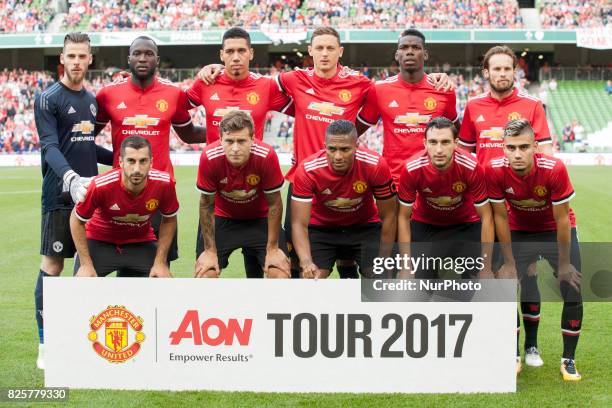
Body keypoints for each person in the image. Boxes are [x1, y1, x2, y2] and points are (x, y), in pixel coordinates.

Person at [199, 26, 452, 279]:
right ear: (310, 51)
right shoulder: (293, 79)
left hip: (347, 179)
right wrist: (216, 69)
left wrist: (435, 76)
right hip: (303, 181)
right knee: (296, 265)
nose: (324, 54)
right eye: (319, 48)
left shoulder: (361, 83)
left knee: (355, 257)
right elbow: (248, 80)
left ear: (340, 51)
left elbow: (385, 101)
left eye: (330, 48)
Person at [33, 32, 113, 370]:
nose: (77, 62)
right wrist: (71, 179)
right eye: (71, 56)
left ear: (90, 59)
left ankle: (79, 341)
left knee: (87, 268)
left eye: (82, 56)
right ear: (62, 60)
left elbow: (84, 145)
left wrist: (120, 162)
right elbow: (51, 146)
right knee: (53, 267)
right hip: (60, 196)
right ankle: (45, 343)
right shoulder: (47, 98)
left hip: (90, 199)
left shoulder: (92, 101)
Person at [187, 27, 293, 278]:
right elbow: (174, 112)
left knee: (270, 272)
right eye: (230, 51)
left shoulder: (265, 86)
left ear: (251, 54)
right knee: (206, 270)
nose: (236, 57)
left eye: (241, 51)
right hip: (221, 202)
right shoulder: (205, 83)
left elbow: (304, 109)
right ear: (221, 55)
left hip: (258, 203)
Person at [94, 35, 205, 266]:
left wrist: (223, 130)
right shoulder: (107, 94)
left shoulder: (173, 94)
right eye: (137, 53)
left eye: (148, 53)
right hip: (119, 192)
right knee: (117, 262)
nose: (143, 58)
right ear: (129, 58)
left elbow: (189, 134)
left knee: (158, 268)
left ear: (158, 59)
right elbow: (86, 137)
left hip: (159, 192)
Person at [487, 119, 583, 381]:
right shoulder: (494, 170)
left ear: (535, 148)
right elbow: (500, 218)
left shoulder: (554, 169)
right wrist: (508, 262)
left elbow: (562, 219)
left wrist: (564, 265)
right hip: (518, 230)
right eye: (511, 148)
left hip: (555, 231)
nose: (517, 154)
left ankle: (568, 360)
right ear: (503, 148)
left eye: (524, 147)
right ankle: (515, 354)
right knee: (505, 286)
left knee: (572, 288)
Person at [291, 120, 397, 279]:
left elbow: (389, 216)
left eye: (345, 149)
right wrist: (306, 262)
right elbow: (299, 223)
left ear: (356, 145)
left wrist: (383, 259)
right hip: (322, 229)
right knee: (312, 278)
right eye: (332, 149)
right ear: (324, 145)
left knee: (380, 278)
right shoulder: (308, 170)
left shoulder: (375, 165)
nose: (338, 156)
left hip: (364, 227)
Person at [357, 28, 458, 185]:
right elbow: (354, 131)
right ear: (397, 55)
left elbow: (459, 136)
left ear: (425, 54)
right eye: (404, 48)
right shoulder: (379, 90)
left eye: (416, 48)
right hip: (394, 180)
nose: (409, 52)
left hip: (435, 180)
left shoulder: (443, 89)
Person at [195, 111, 289, 278]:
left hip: (260, 219)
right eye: (229, 141)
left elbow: (275, 203)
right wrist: (209, 251)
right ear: (220, 139)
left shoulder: (266, 156)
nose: (235, 148)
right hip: (223, 218)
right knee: (205, 274)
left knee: (280, 273)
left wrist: (273, 248)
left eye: (242, 141)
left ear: (252, 139)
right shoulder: (209, 157)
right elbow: (206, 204)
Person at [397, 117, 493, 279]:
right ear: (425, 143)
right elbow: (403, 217)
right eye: (433, 142)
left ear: (456, 143)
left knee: (484, 282)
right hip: (426, 225)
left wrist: (486, 266)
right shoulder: (412, 168)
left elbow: (486, 215)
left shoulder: (471, 166)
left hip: (466, 224)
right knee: (419, 284)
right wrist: (406, 267)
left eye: (445, 142)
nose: (439, 150)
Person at [71, 136, 178, 278]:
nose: (137, 169)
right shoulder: (101, 185)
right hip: (99, 240)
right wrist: (85, 264)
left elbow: (170, 219)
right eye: (131, 161)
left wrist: (160, 262)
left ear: (151, 162)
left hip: (141, 242)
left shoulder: (165, 183)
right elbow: (76, 219)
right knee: (82, 287)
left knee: (161, 283)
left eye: (143, 161)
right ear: (121, 162)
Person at [459, 45, 553, 166]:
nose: (502, 74)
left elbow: (545, 151)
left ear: (514, 72)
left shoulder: (533, 104)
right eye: (497, 69)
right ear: (486, 73)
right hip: (485, 183)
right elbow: (463, 152)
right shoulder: (473, 105)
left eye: (507, 69)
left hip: (522, 183)